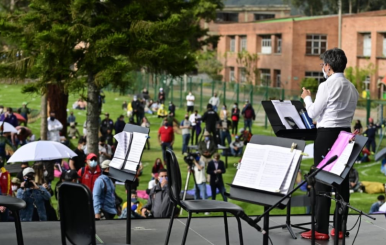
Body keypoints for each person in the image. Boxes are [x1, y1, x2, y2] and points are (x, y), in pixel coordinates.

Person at [300, 48, 359, 240]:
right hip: (345, 134)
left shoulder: (326, 85)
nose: (322, 68)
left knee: (322, 182)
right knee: (341, 182)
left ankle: (321, 229)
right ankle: (340, 226)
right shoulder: (352, 87)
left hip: (326, 135)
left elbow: (312, 113)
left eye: (322, 64)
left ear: (328, 66)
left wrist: (307, 98)